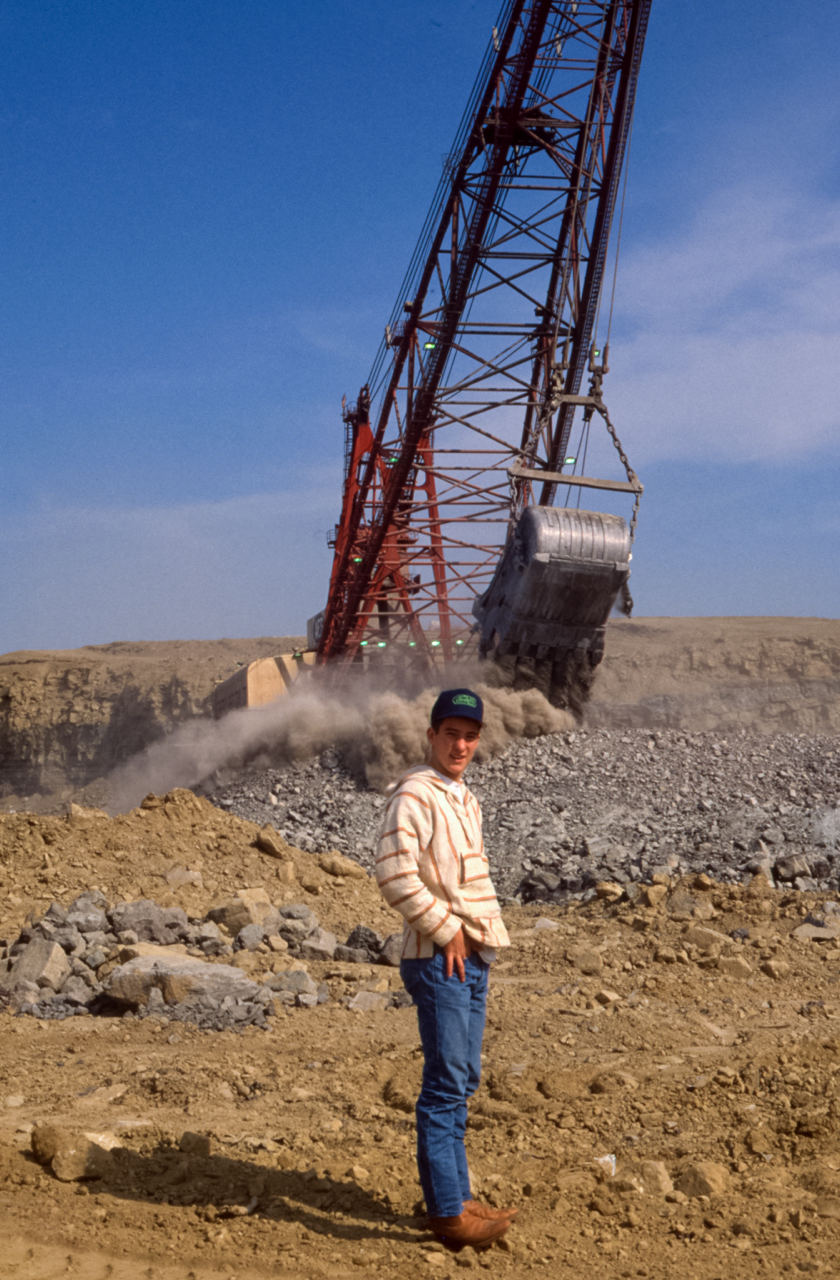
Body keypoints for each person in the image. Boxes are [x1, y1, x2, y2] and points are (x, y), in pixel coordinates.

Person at [375, 688, 516, 1251]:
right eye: (451, 734)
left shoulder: (464, 798)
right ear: (431, 735)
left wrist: (473, 939)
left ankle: (459, 1197)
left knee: (461, 1080)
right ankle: (448, 1214)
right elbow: (392, 872)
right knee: (444, 1084)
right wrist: (444, 927)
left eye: (470, 736)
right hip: (439, 958)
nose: (460, 745)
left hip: (472, 956)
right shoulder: (415, 793)